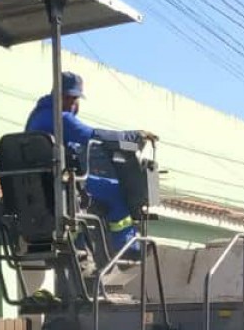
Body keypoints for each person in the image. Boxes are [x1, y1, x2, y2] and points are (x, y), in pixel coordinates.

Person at [25, 71, 153, 255]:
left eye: (74, 99)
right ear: (57, 94)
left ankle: (82, 245)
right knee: (115, 190)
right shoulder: (60, 118)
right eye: (68, 97)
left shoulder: (38, 115)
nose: (71, 103)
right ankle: (127, 247)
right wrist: (133, 136)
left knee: (87, 191)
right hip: (59, 182)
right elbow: (89, 135)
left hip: (41, 183)